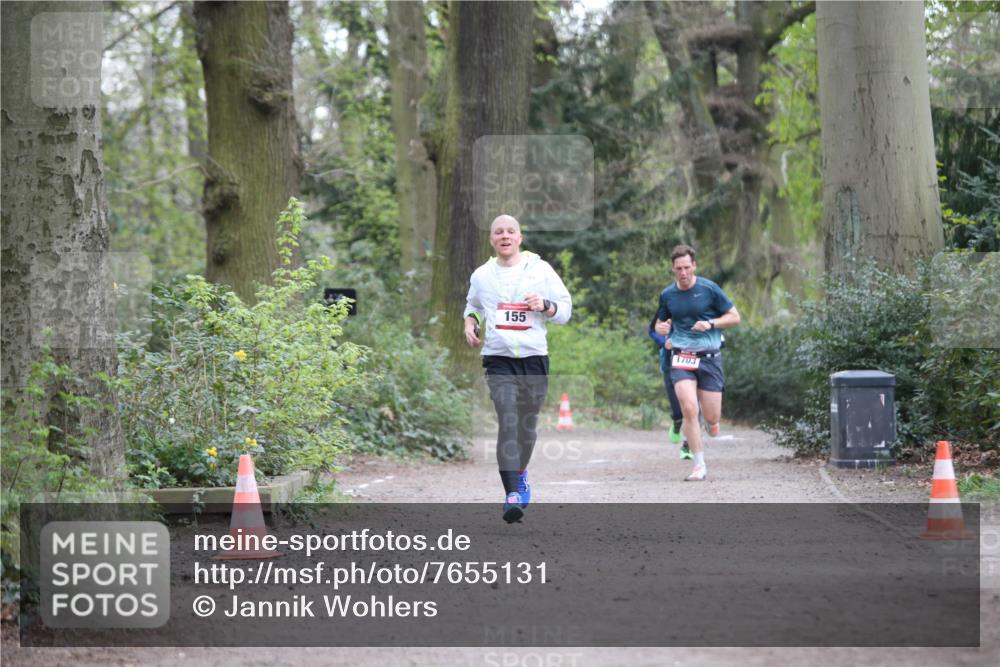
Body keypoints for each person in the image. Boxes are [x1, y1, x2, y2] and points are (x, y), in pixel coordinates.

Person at [464, 214, 572, 523]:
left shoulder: (540, 270)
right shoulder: (482, 275)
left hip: (534, 359)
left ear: (520, 237)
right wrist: (470, 323)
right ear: (492, 239)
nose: (505, 236)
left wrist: (546, 305)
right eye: (498, 232)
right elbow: (472, 305)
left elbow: (564, 310)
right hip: (498, 360)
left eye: (510, 231)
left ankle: (521, 473)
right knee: (508, 421)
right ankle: (511, 493)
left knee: (527, 428)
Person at [654, 244, 740, 481]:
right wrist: (661, 328)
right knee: (689, 408)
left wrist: (711, 324)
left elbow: (735, 317)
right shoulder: (667, 294)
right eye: (678, 268)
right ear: (673, 269)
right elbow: (659, 324)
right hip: (682, 357)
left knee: (711, 418)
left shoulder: (709, 289)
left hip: (710, 358)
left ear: (694, 266)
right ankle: (699, 465)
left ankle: (712, 424)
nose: (683, 273)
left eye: (686, 267)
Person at [647, 315, 692, 460]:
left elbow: (717, 336)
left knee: (691, 408)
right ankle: (677, 421)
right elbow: (652, 330)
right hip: (670, 365)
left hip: (694, 364)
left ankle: (688, 446)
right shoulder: (668, 302)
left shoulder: (702, 306)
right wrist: (664, 342)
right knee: (679, 411)